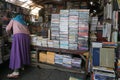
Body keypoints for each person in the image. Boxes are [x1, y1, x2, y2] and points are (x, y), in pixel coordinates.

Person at [6, 13, 30, 78]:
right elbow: (28, 32)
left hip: (18, 37)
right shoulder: (24, 22)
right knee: (22, 51)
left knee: (16, 52)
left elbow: (7, 28)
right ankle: (22, 66)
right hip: (26, 38)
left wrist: (9, 34)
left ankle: (16, 72)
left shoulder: (13, 20)